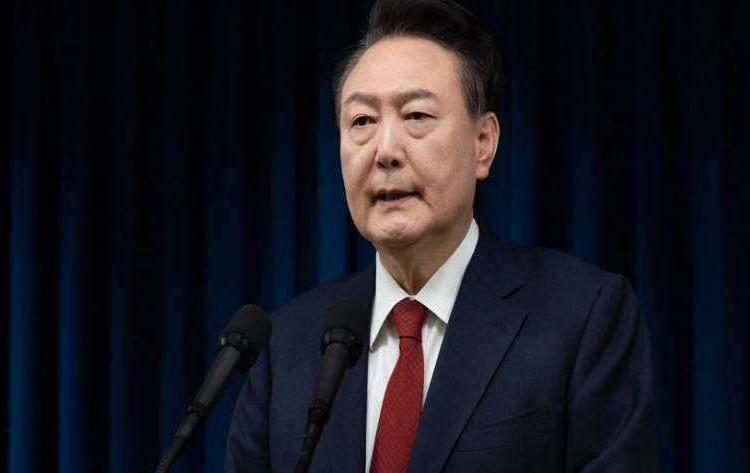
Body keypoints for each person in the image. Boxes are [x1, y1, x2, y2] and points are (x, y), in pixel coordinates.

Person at [225, 0, 658, 471]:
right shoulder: (284, 348)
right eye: (362, 121)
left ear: (483, 143)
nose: (385, 151)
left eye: (416, 116)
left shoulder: (582, 317)